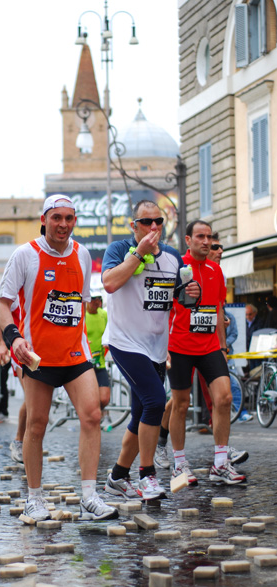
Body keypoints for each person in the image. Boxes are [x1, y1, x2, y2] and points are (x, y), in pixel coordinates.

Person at [0, 194, 117, 522]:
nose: (63, 224)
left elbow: (81, 303)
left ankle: (89, 496)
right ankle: (34, 498)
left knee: (92, 415)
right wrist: (13, 338)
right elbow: (2, 306)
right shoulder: (26, 255)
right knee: (36, 425)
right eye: (57, 218)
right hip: (37, 357)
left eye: (69, 218)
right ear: (44, 219)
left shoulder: (82, 254)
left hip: (75, 353)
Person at [101, 200, 200, 500]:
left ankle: (117, 477)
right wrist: (139, 253)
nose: (154, 227)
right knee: (156, 401)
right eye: (146, 222)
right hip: (124, 341)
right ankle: (147, 476)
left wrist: (192, 295)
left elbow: (181, 297)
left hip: (156, 346)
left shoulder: (171, 256)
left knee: (140, 413)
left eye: (158, 221)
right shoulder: (118, 250)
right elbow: (109, 283)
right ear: (134, 226)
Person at [168, 220, 246, 486]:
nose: (206, 241)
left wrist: (223, 347)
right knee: (181, 404)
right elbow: (165, 309)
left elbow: (219, 308)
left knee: (223, 398)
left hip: (210, 344)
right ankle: (179, 464)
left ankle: (221, 464)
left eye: (209, 237)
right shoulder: (176, 267)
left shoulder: (216, 270)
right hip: (179, 345)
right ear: (188, 240)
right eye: (200, 236)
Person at [0, 304, 27, 464]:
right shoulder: (17, 286)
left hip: (42, 348)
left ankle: (28, 443)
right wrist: (1, 343)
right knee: (32, 397)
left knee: (39, 402)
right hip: (21, 350)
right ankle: (19, 441)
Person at [85, 292, 111, 430]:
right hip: (86, 363)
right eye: (94, 299)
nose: (97, 302)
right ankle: (92, 418)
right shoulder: (83, 315)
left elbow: (108, 334)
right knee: (91, 398)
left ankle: (95, 413)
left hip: (99, 361)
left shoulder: (103, 315)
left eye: (99, 299)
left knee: (104, 398)